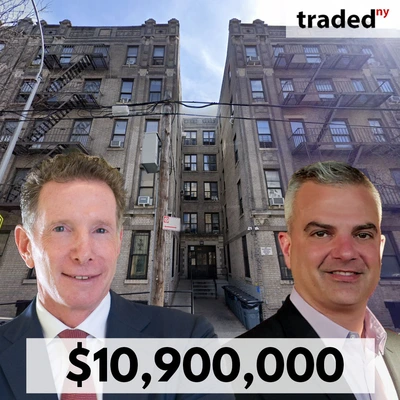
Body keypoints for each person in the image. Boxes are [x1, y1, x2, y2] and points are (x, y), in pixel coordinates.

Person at [0, 152, 228, 400]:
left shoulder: (187, 341)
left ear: (118, 243)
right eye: (61, 228)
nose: (83, 254)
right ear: (26, 246)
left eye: (100, 230)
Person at [237, 161, 400, 400]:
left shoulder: (395, 349)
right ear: (288, 249)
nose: (346, 252)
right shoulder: (238, 371)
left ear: (380, 248)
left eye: (363, 235)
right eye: (321, 233)